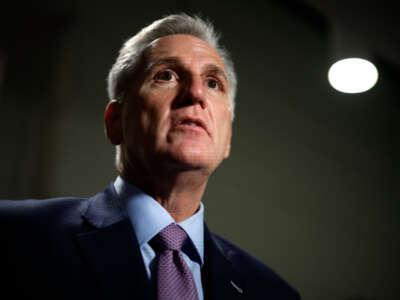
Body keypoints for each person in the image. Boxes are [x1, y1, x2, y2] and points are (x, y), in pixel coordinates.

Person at [0, 14, 300, 300]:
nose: (196, 93)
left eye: (212, 82)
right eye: (166, 75)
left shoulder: (272, 292)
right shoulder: (16, 236)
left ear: (227, 139)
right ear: (115, 122)